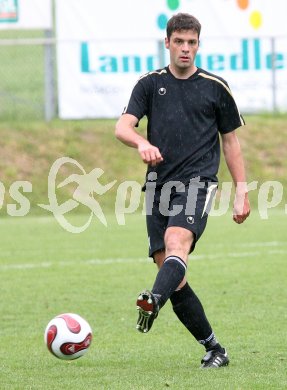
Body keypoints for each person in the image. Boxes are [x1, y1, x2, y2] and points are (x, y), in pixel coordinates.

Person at [115, 13, 250, 369]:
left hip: (197, 182)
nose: (185, 49)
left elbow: (231, 142)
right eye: (179, 42)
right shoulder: (149, 84)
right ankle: (214, 348)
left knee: (178, 243)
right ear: (167, 43)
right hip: (159, 186)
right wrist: (141, 143)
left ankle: (152, 301)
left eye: (192, 43)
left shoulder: (215, 87)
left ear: (198, 45)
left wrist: (242, 191)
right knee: (174, 275)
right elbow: (122, 127)